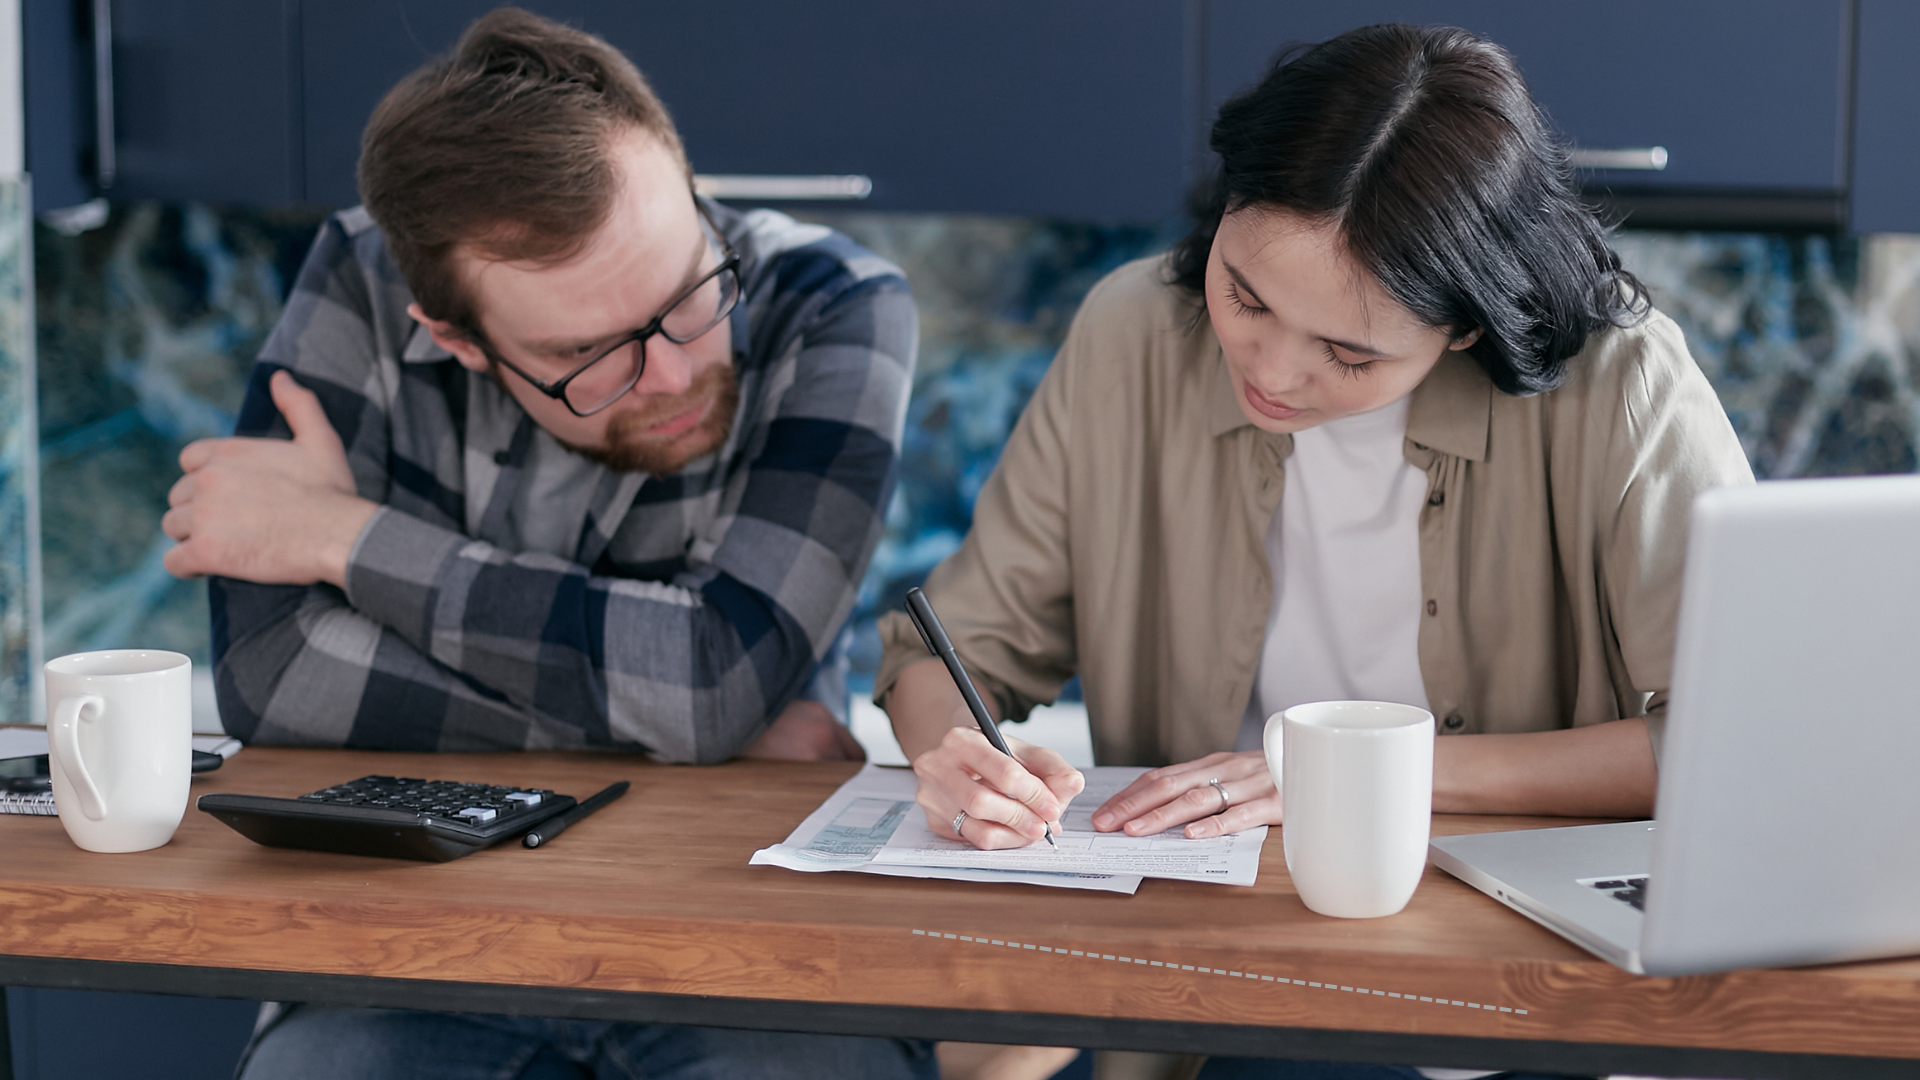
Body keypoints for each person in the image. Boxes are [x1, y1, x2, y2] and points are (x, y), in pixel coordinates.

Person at [877, 23, 1752, 1080]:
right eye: (1245, 294)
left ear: (1464, 328)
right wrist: (952, 760)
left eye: (1348, 351)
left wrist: (1362, 779)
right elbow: (950, 647)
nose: (1273, 370)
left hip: (1527, 982)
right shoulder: (1133, 336)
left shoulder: (1622, 389)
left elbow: (1733, 747)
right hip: (1221, 971)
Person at [161, 9, 929, 1079]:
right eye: (589, 356)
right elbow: (274, 675)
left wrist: (349, 539)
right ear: (457, 341)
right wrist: (680, 728)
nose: (670, 375)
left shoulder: (835, 303)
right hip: (405, 940)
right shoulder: (364, 280)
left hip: (753, 943)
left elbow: (713, 680)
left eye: (686, 299)